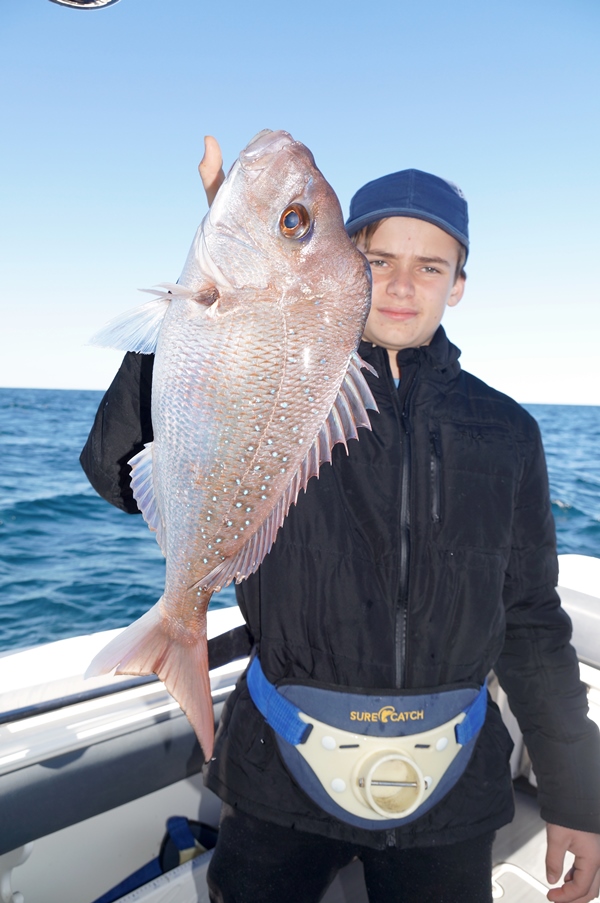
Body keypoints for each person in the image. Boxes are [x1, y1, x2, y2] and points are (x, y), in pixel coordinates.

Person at [81, 138, 600, 903]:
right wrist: (203, 304)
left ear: (459, 285)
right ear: (343, 263)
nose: (400, 284)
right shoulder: (293, 392)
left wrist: (576, 798)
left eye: (431, 266)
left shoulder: (508, 432)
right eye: (379, 258)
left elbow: (530, 623)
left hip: (450, 799)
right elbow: (113, 472)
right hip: (278, 782)